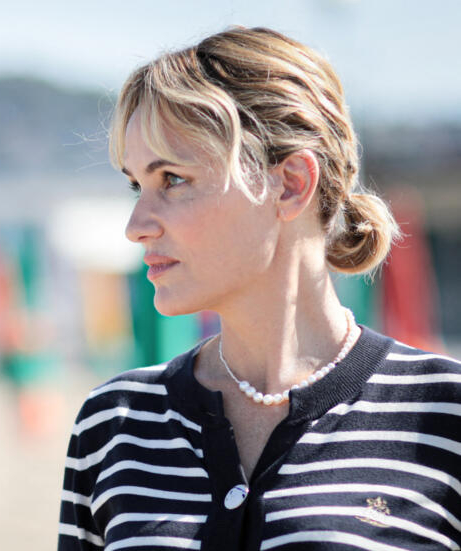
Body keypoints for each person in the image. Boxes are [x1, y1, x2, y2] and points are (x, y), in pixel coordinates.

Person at [58, 26, 461, 550]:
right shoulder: (115, 423)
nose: (136, 224)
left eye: (172, 180)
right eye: (137, 184)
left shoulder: (444, 414)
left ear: (291, 184)